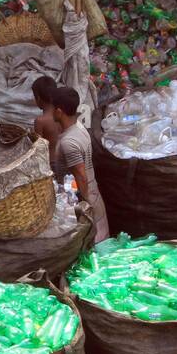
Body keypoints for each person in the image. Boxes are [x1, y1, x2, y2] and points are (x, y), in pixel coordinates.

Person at [50, 85, 110, 243]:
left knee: (93, 248)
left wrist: (85, 207)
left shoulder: (69, 142)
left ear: (59, 111)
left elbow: (80, 176)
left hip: (83, 198)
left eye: (52, 109)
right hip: (93, 193)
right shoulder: (79, 127)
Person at [31, 74, 64, 147]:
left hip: (49, 158)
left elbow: (38, 148)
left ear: (38, 98)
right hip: (62, 157)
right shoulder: (63, 115)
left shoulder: (40, 121)